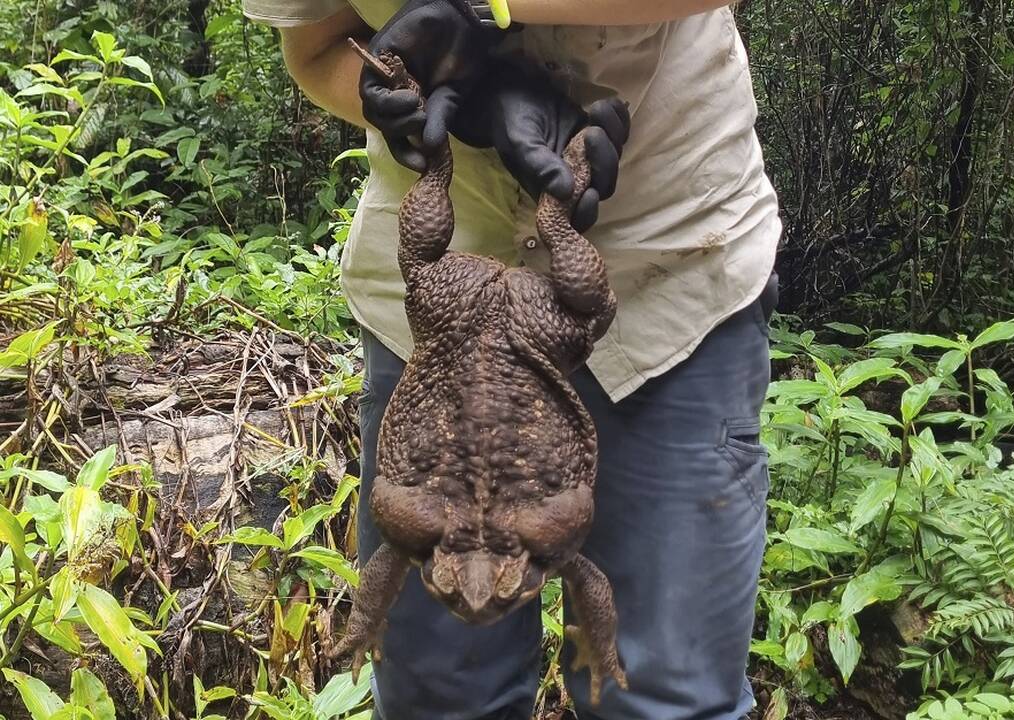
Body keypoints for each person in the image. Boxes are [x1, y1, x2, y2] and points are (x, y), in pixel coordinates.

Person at [242, 2, 781, 718]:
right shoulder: (439, 543)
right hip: (437, 309)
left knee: (664, 699)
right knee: (436, 698)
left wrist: (480, 6)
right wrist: (424, 105)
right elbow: (316, 50)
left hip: (666, 270)